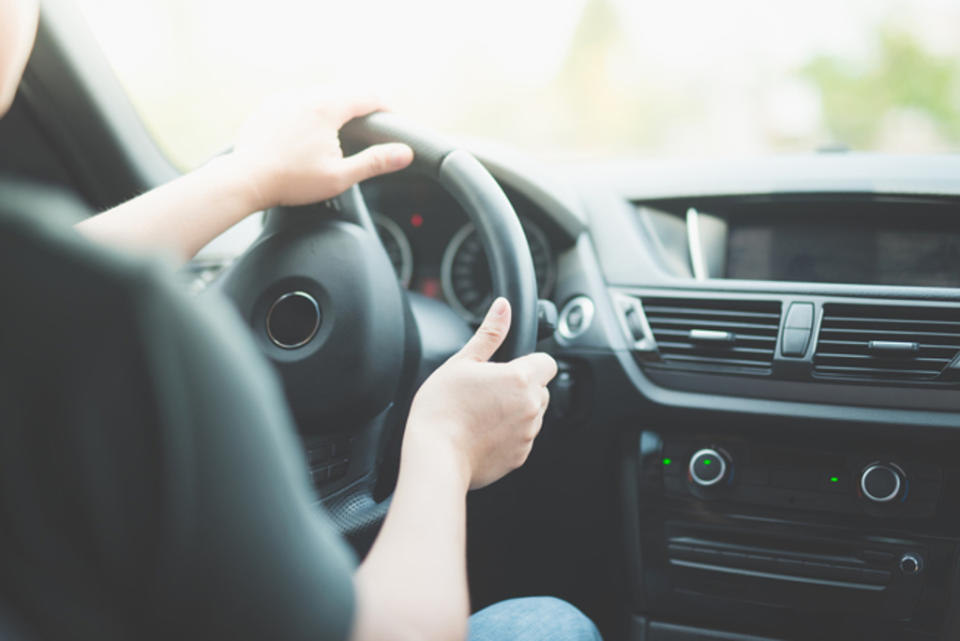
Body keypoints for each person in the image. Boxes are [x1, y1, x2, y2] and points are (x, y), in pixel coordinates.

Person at [0, 1, 603, 641]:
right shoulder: (118, 326)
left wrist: (250, 176)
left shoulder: (56, 309)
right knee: (550, 623)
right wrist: (444, 443)